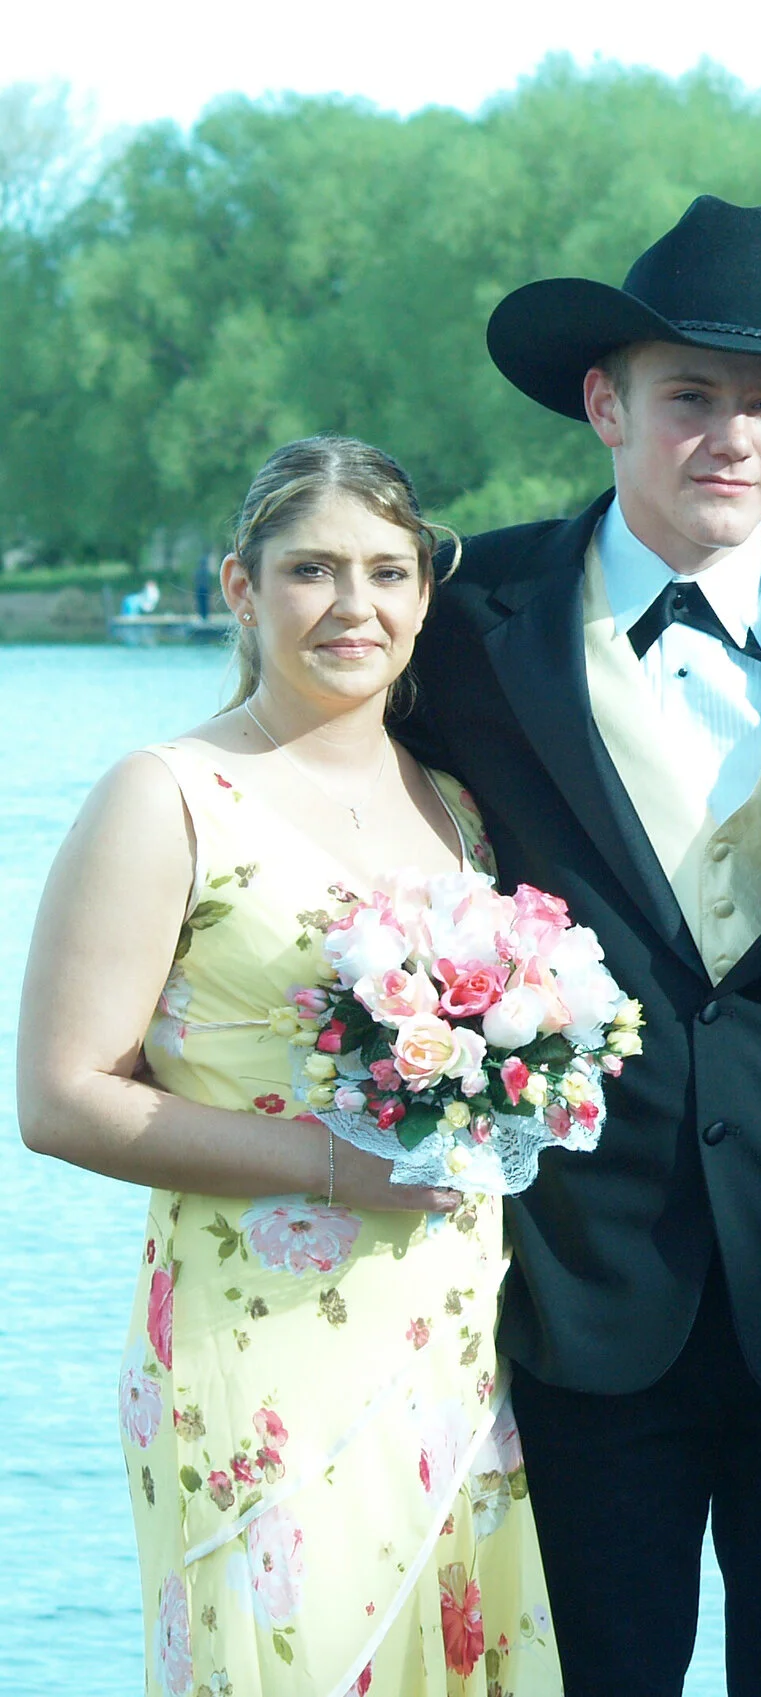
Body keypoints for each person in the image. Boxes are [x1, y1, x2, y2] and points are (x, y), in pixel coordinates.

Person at [395, 195, 761, 1697]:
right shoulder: (463, 624)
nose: (730, 435)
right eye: (691, 398)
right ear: (606, 405)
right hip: (560, 1296)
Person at [17, 436, 562, 1696]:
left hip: (459, 1335)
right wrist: (333, 1164)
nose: (352, 605)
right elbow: (60, 1097)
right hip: (254, 1342)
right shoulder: (170, 795)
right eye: (312, 569)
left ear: (428, 593)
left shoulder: (458, 807)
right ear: (239, 587)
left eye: (386, 570)